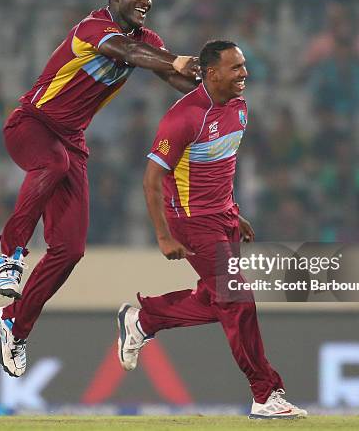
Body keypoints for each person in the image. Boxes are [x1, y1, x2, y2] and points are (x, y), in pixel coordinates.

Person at [0, 0, 200, 378]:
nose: (146, 1)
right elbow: (129, 54)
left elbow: (173, 76)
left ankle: (14, 322)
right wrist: (175, 59)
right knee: (52, 162)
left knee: (70, 250)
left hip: (70, 142)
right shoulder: (93, 27)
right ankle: (10, 255)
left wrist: (212, 92)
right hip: (31, 123)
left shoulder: (148, 42)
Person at [117, 41, 307, 419]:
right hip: (191, 221)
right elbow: (152, 180)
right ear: (211, 72)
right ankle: (265, 393)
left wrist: (235, 214)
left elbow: (220, 166)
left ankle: (143, 320)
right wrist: (162, 235)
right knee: (237, 299)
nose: (244, 74)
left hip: (223, 216)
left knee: (216, 299)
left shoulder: (239, 107)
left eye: (244, 66)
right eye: (235, 68)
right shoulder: (184, 117)